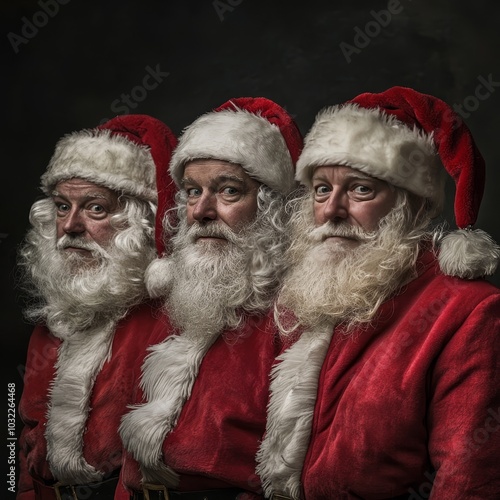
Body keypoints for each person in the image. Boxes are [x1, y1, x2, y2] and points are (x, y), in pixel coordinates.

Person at [255, 87, 500, 500]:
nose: (332, 210)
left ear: (414, 206)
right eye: (321, 189)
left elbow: (468, 478)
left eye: (360, 189)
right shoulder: (305, 295)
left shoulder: (468, 311)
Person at [116, 97, 303, 500]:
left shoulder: (294, 317)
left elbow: (295, 476)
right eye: (191, 191)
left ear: (271, 207)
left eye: (228, 192)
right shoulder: (181, 300)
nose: (201, 211)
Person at [16, 114, 178, 500]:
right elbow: (20, 447)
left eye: (95, 209)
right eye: (60, 206)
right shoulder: (50, 327)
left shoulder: (169, 323)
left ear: (138, 223)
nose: (70, 225)